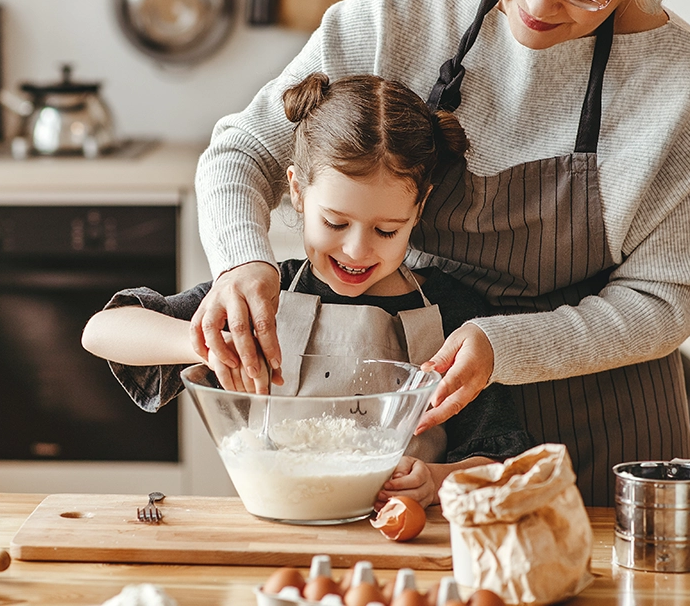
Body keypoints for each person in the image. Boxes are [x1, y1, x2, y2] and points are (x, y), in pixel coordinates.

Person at [189, 0, 690, 507]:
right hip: (426, 438)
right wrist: (239, 262)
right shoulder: (402, 9)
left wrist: (503, 344)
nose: (537, 4)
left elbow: (669, 298)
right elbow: (245, 150)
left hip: (606, 428)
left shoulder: (685, 85)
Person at [82, 72, 535, 509]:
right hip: (279, 529)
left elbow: (500, 458)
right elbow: (102, 331)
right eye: (335, 223)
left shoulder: (452, 312)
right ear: (297, 192)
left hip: (408, 545)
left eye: (386, 230)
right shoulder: (261, 299)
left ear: (420, 207)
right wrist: (203, 343)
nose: (357, 250)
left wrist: (436, 481)